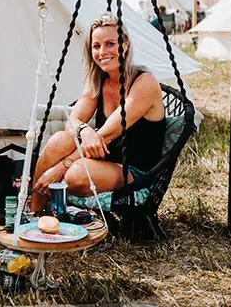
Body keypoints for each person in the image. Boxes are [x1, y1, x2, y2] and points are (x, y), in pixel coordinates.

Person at [30, 12, 166, 214]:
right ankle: (33, 214)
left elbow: (108, 135)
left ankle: (47, 206)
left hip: (135, 170)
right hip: (105, 159)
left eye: (110, 44)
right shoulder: (99, 79)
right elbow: (73, 120)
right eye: (96, 46)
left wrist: (60, 167)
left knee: (74, 175)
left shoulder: (144, 82)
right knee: (59, 139)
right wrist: (85, 130)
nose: (102, 52)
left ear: (125, 44)